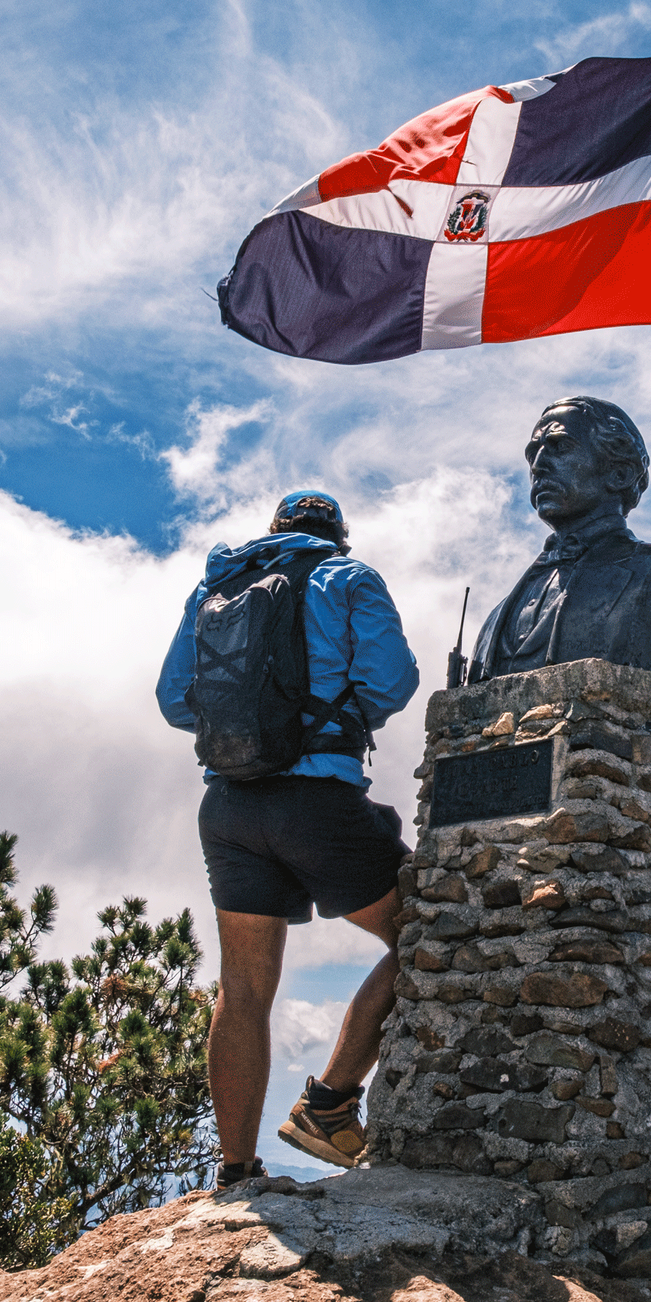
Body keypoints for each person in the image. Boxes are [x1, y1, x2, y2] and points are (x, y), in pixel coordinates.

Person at [158, 490, 419, 1185]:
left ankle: (237, 1172)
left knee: (241, 987)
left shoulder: (217, 587)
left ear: (273, 532)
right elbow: (393, 682)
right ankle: (329, 1105)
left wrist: (253, 731)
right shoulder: (347, 576)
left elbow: (174, 698)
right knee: (431, 937)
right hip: (316, 803)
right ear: (337, 534)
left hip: (228, 806)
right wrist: (325, 721)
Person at [469, 395, 651, 686]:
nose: (537, 466)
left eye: (559, 447)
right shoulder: (496, 618)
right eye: (532, 453)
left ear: (619, 473)